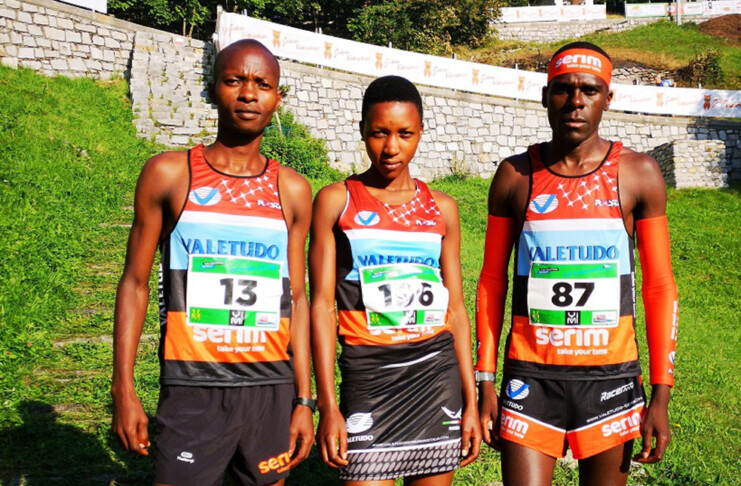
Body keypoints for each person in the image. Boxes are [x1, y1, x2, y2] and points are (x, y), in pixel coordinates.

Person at [111, 39, 314, 486]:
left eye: (262, 84)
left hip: (270, 390)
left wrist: (304, 399)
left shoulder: (294, 190)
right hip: (191, 387)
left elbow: (297, 298)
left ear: (278, 97)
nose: (248, 93)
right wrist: (123, 387)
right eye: (234, 80)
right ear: (212, 87)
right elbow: (134, 284)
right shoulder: (169, 174)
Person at [475, 42, 678, 486]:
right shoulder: (514, 175)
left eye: (590, 89)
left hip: (611, 378)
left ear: (608, 98)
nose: (576, 101)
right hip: (531, 378)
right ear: (545, 96)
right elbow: (492, 280)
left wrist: (661, 393)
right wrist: (485, 380)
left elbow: (660, 286)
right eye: (564, 89)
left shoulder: (638, 173)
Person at [310, 75, 481, 485]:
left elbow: (456, 310)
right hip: (369, 377)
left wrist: (471, 402)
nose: (391, 148)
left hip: (435, 379)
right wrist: (327, 405)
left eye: (404, 134)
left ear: (421, 131)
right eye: (379, 133)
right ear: (362, 130)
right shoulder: (336, 201)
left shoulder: (442, 208)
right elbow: (322, 307)